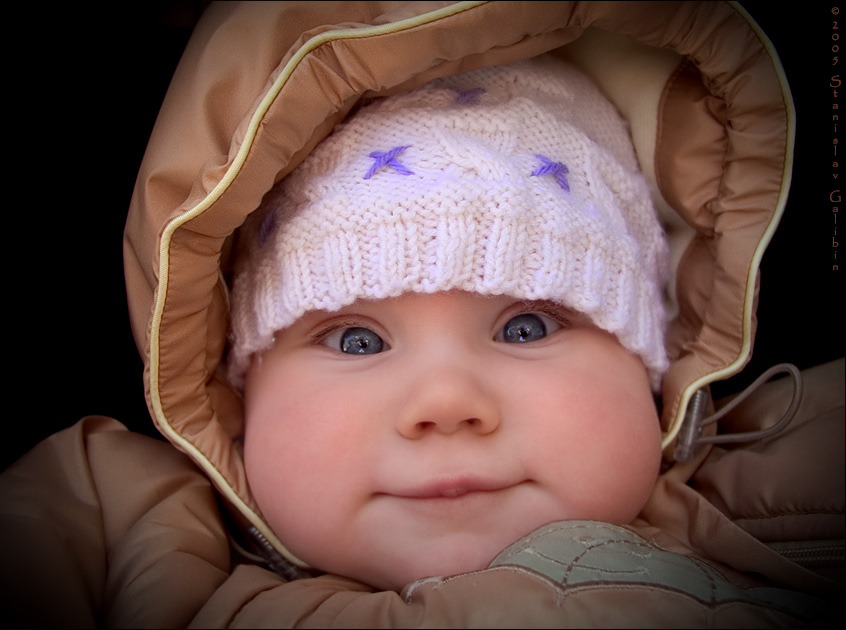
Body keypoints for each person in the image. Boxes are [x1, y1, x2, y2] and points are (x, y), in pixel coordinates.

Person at [1, 2, 842, 627]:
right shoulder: (136, 536)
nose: (444, 402)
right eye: (357, 339)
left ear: (654, 367)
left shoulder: (758, 498)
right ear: (234, 391)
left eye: (527, 326)